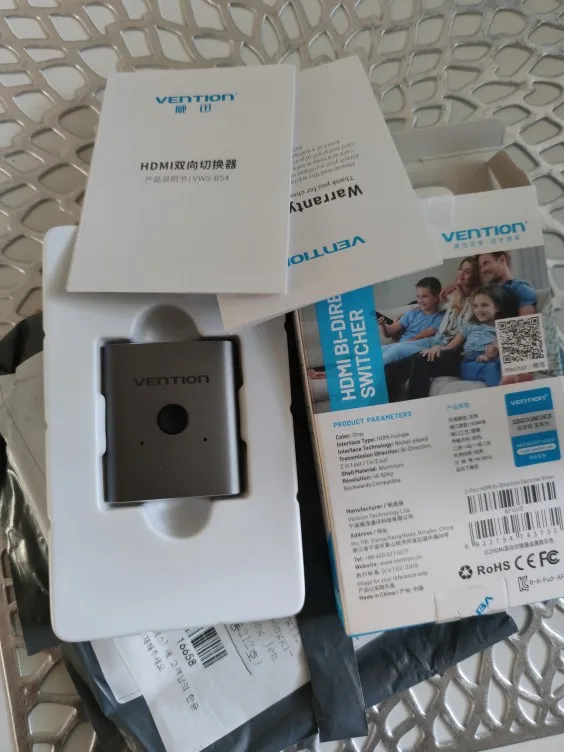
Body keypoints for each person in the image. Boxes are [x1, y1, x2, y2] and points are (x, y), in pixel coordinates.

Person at [385, 257, 480, 400]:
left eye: (467, 271)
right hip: (435, 341)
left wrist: (442, 348)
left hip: (450, 347)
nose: (461, 274)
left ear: (476, 276)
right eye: (460, 269)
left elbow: (463, 333)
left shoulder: (477, 302)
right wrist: (453, 287)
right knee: (392, 367)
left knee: (409, 355)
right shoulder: (454, 296)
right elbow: (432, 299)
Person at [420, 285, 519, 388]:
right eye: (475, 306)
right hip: (471, 361)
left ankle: (512, 381)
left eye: (484, 305)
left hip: (495, 357)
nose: (479, 310)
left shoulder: (505, 327)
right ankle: (502, 389)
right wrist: (437, 347)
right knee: (490, 369)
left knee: (503, 363)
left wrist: (491, 352)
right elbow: (450, 346)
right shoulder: (469, 326)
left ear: (497, 307)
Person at [378, 277, 444, 366]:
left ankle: (374, 369)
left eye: (424, 296)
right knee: (380, 349)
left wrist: (404, 343)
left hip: (416, 349)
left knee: (397, 348)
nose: (420, 300)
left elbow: (423, 335)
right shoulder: (412, 313)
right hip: (400, 346)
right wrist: (383, 325)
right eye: (418, 296)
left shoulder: (439, 318)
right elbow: (389, 332)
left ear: (436, 297)